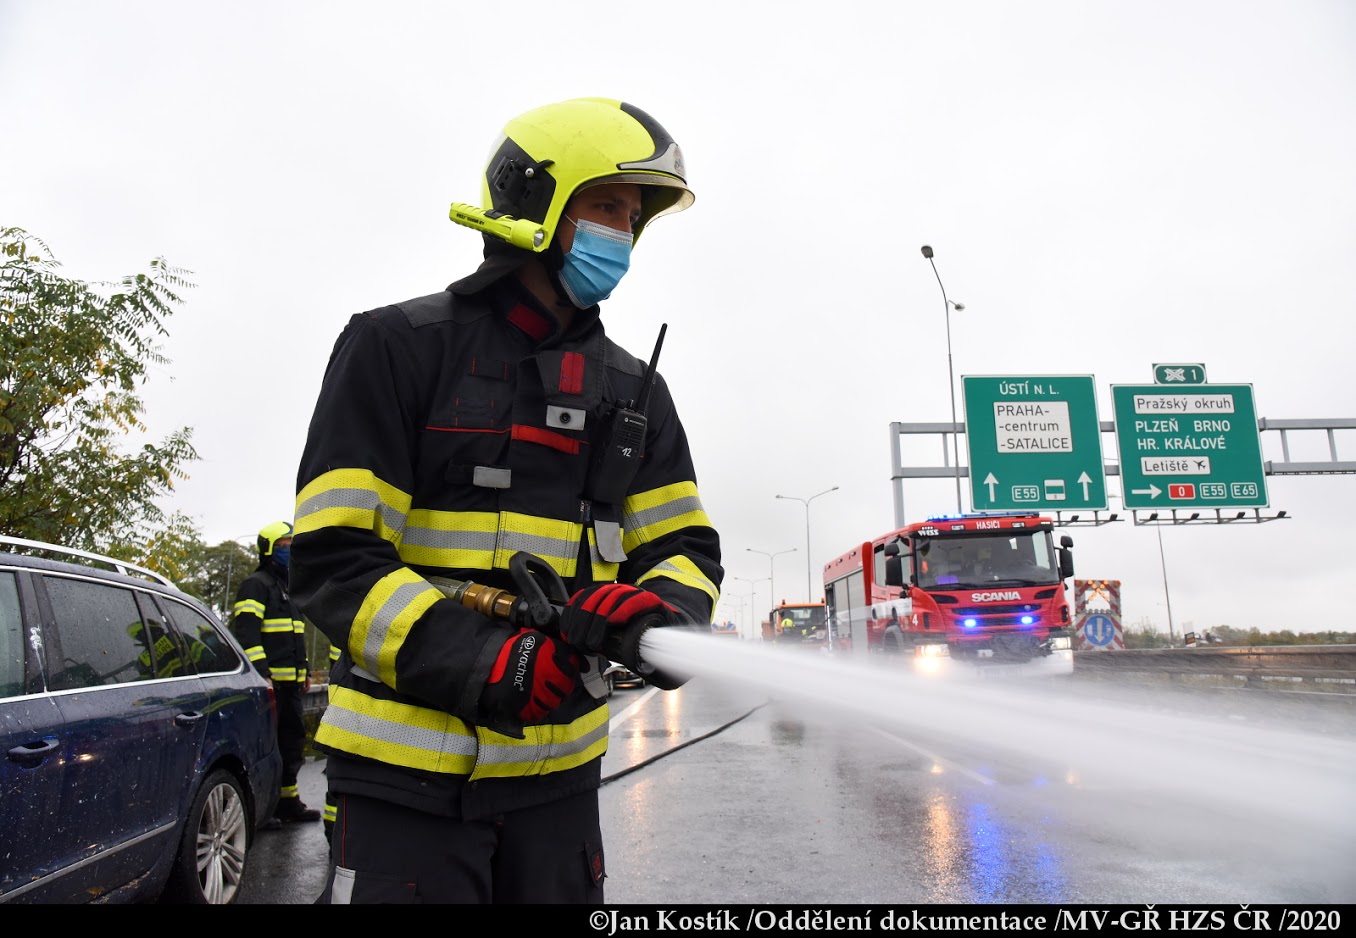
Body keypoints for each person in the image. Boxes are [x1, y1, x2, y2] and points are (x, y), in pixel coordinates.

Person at [291, 97, 723, 904]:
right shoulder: (397, 348)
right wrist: (487, 660)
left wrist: (660, 619)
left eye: (633, 218)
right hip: (403, 784)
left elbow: (683, 549)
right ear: (537, 202)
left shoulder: (636, 393)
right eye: (606, 207)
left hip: (558, 786)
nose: (623, 234)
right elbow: (334, 557)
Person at [231, 520, 321, 825]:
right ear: (268, 550)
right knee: (266, 747)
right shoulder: (255, 585)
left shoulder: (288, 589)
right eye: (284, 546)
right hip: (268, 686)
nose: (289, 551)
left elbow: (296, 635)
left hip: (290, 685)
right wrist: (261, 674)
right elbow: (247, 634)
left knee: (291, 743)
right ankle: (263, 808)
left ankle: (287, 802)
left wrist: (304, 671)